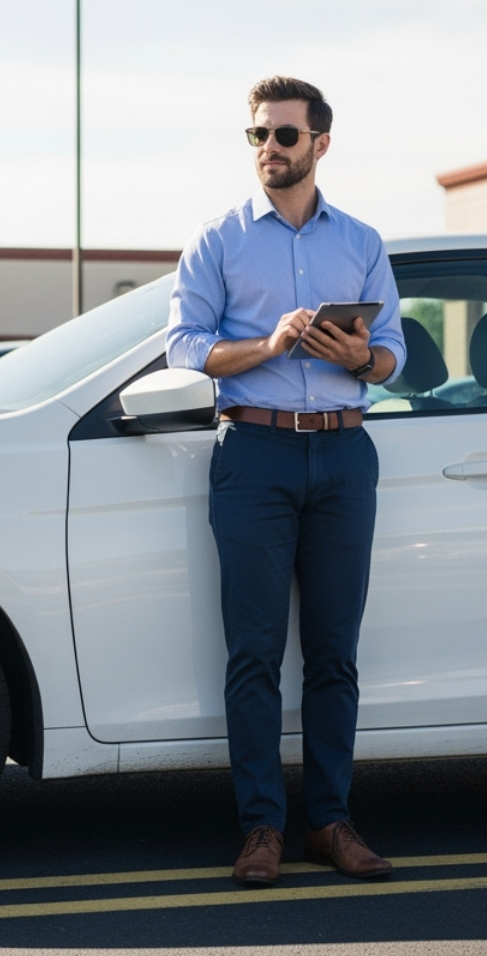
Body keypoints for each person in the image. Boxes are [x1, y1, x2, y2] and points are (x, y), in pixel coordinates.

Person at [166, 76, 406, 887]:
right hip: (255, 457)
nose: (267, 148)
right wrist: (269, 346)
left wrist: (358, 359)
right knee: (255, 655)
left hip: (344, 456)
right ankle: (261, 828)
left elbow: (393, 352)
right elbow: (186, 348)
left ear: (320, 145)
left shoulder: (363, 242)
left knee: (335, 655)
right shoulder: (219, 239)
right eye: (257, 137)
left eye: (283, 137)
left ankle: (331, 824)